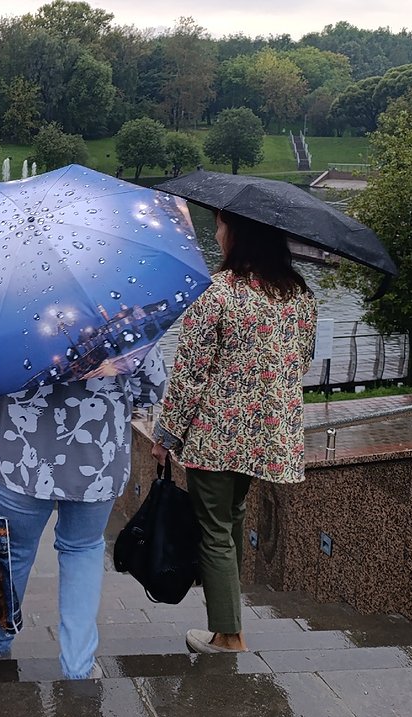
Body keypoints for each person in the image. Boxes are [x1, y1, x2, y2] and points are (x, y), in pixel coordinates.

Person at [150, 209, 317, 654]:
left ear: (238, 234)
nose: (218, 234)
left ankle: (228, 634)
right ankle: (230, 620)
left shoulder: (217, 293)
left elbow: (189, 373)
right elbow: (299, 362)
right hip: (266, 438)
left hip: (216, 437)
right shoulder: (299, 294)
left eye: (221, 227)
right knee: (231, 520)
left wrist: (165, 436)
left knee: (215, 531)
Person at [0, 348, 168, 680]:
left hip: (22, 455)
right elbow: (153, 386)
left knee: (14, 551)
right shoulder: (122, 310)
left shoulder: (12, 312)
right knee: (83, 549)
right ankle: (78, 664)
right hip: (98, 455)